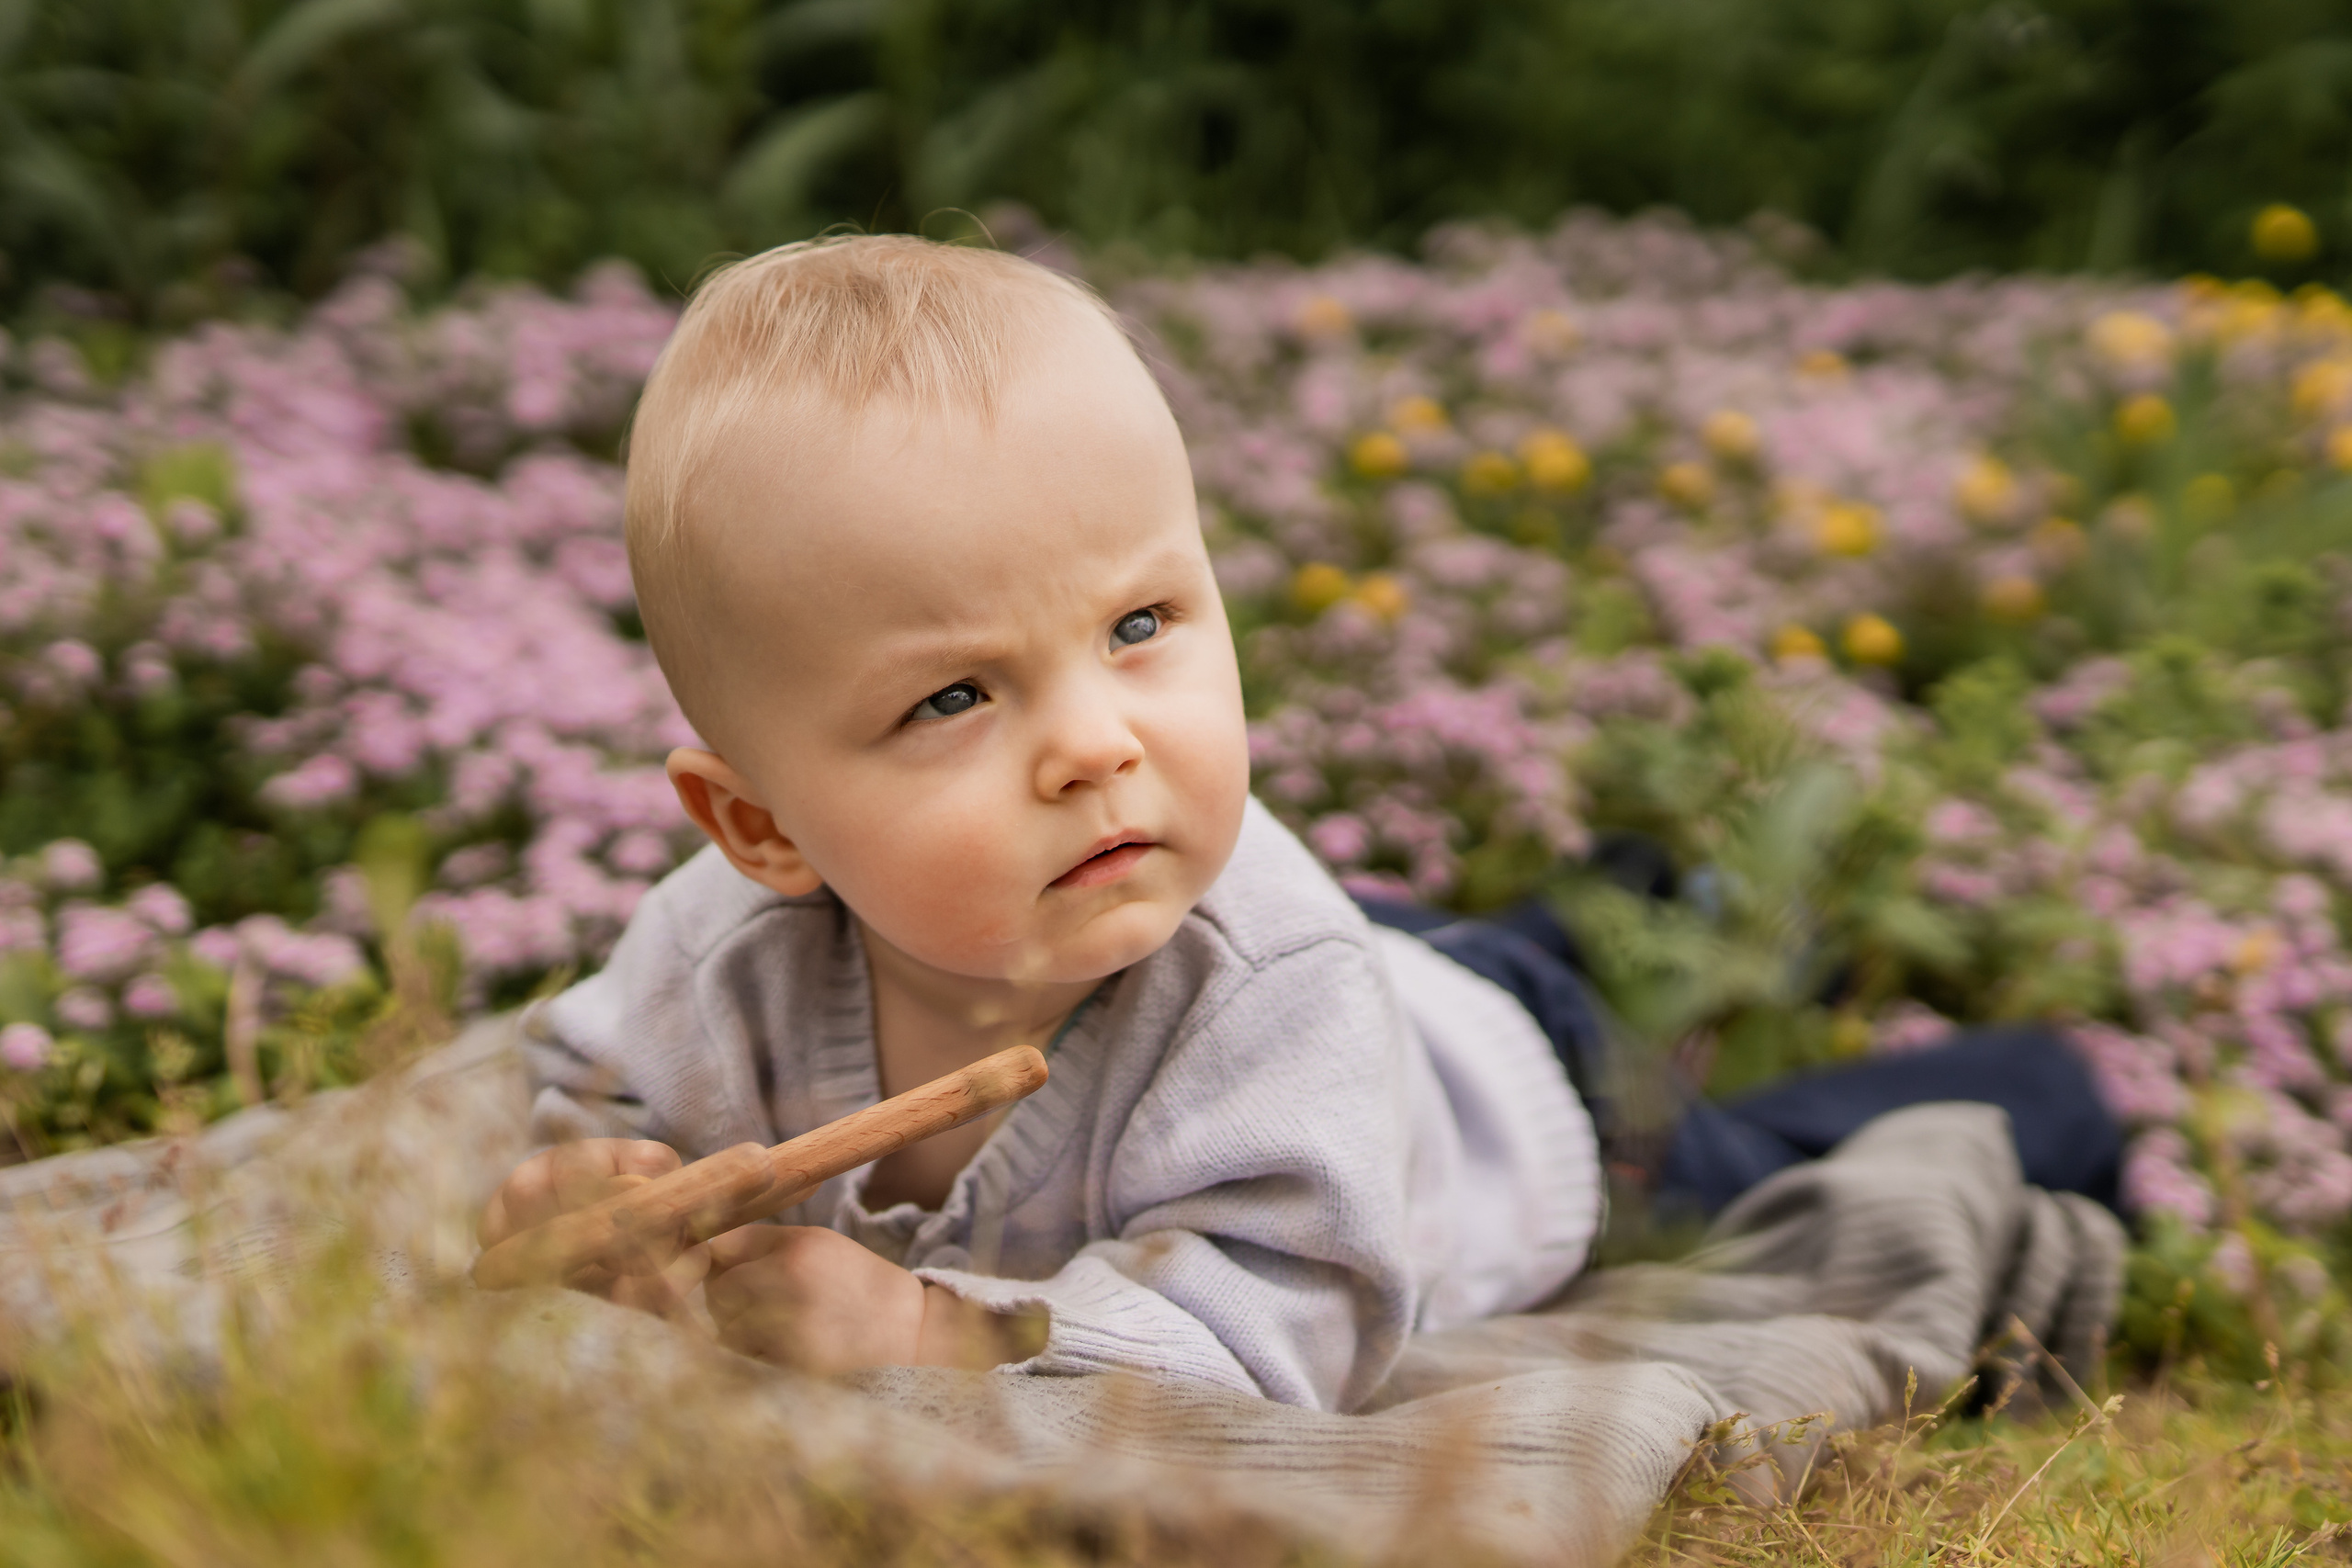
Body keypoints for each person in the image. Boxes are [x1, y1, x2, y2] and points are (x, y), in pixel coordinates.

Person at [477, 234, 2120, 1412]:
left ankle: (2044, 1079)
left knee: (1750, 1160)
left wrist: (941, 1335)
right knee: (1510, 939)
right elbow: (585, 1090)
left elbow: (1281, 1335)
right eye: (955, 699)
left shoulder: (1263, 986)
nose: (1095, 746)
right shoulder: (720, 948)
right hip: (1368, 968)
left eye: (1138, 629)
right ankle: (1618, 900)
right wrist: (581, 1192)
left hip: (1512, 1102)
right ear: (760, 828)